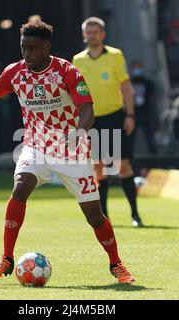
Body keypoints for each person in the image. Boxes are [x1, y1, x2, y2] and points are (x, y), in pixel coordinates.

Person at [0, 20, 135, 284]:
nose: (27, 54)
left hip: (72, 151)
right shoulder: (16, 72)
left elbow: (87, 111)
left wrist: (78, 132)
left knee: (94, 215)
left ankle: (116, 264)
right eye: (23, 47)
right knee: (20, 187)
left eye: (33, 48)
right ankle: (6, 259)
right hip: (36, 147)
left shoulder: (68, 72)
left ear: (46, 47)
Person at [73, 17, 144, 228]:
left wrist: (130, 115)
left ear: (103, 34)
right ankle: (104, 218)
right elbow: (74, 93)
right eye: (88, 31)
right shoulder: (77, 60)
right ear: (84, 34)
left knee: (123, 166)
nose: (92, 35)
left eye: (95, 32)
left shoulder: (115, 55)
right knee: (98, 169)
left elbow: (126, 88)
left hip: (115, 116)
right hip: (91, 119)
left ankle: (135, 215)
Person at [129, 60, 157, 155]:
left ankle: (154, 155)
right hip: (134, 113)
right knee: (130, 136)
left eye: (138, 67)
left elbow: (152, 97)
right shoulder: (128, 83)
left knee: (149, 135)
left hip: (146, 112)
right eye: (135, 68)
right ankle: (129, 155)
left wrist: (153, 111)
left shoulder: (148, 83)